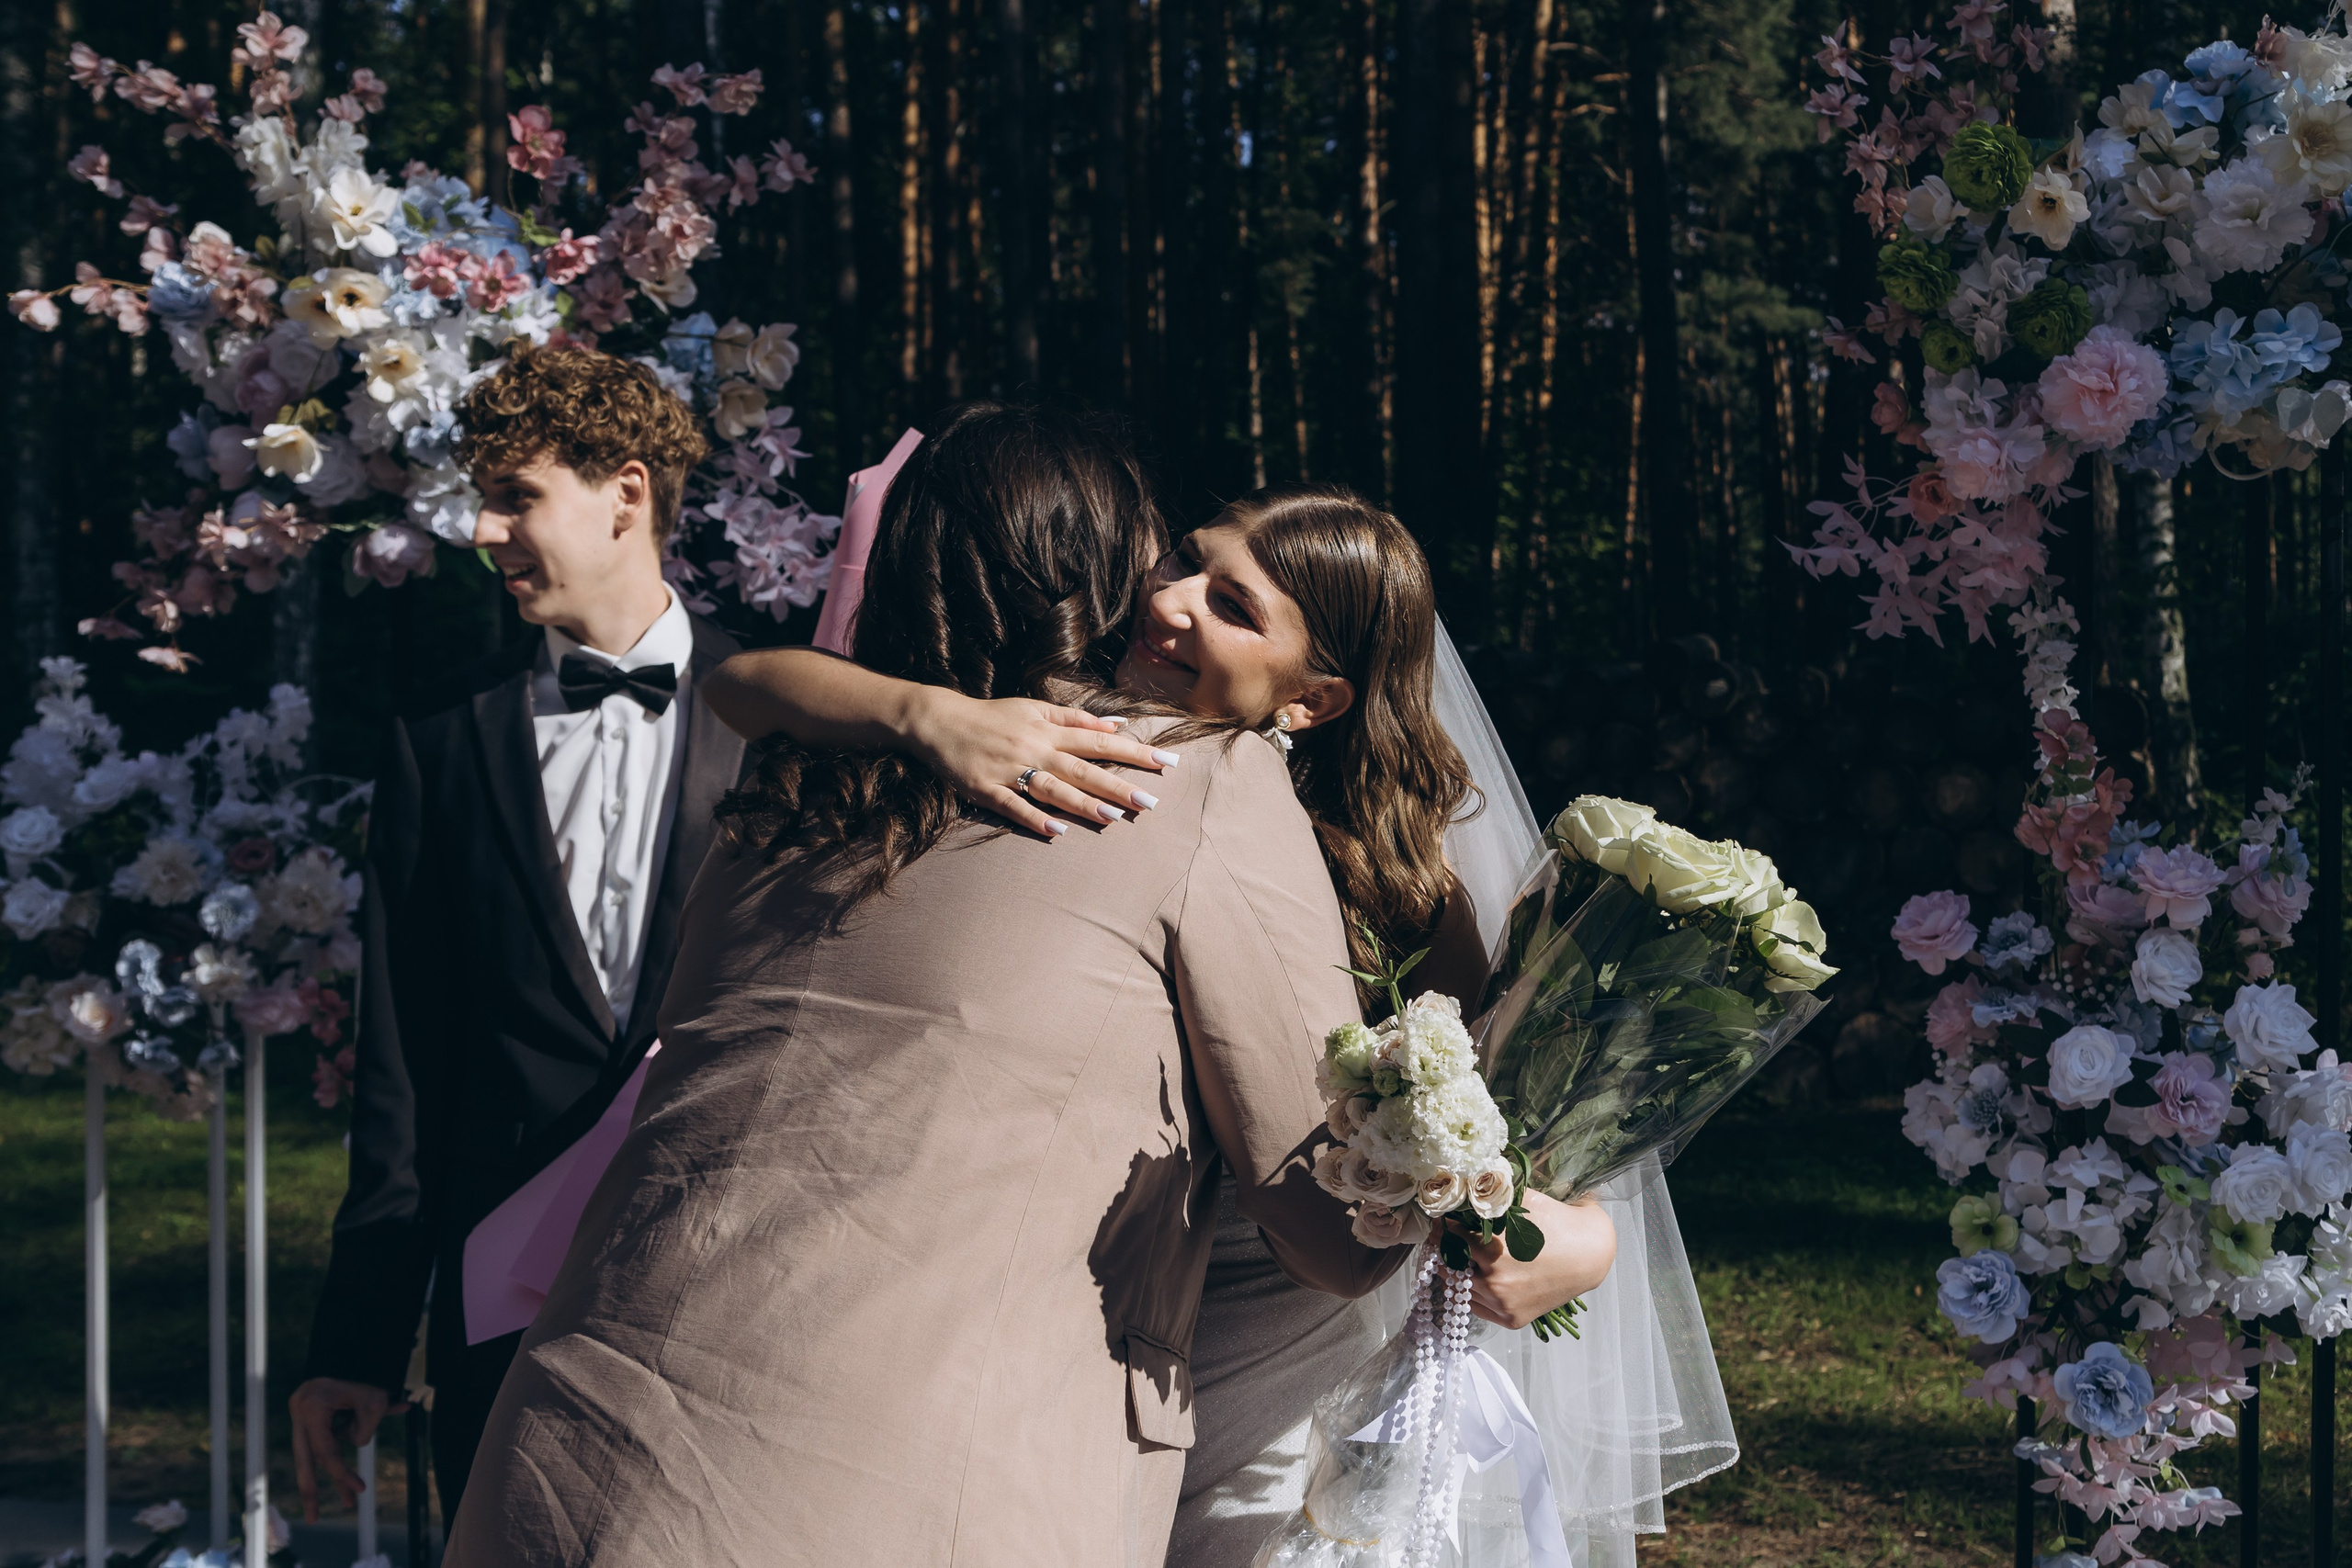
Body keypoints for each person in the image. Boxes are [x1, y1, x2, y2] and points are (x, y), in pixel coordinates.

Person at [444, 401, 1440, 1566]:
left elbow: (747, 688)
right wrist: (1487, 1203)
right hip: (910, 1486)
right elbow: (1329, 1226)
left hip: (564, 1458)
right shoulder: (1188, 778)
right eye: (1168, 559)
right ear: (1100, 574)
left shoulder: (783, 794)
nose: (1168, 600)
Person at [702, 480, 1735, 1563]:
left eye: (1233, 607)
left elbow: (1496, 1112)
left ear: (1314, 699)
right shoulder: (1058, 736)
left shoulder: (1402, 900)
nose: (1172, 601)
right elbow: (737, 678)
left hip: (1269, 1341)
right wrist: (931, 714)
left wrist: (1582, 1234)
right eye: (1183, 563)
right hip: (1074, 1325)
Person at [287, 346, 750, 1526]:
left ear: (627, 494)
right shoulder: (440, 743)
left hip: (734, 1301)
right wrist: (360, 1339)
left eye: (516, 496)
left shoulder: (785, 715)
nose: (484, 531)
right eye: (482, 500)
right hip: (505, 1309)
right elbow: (403, 1063)